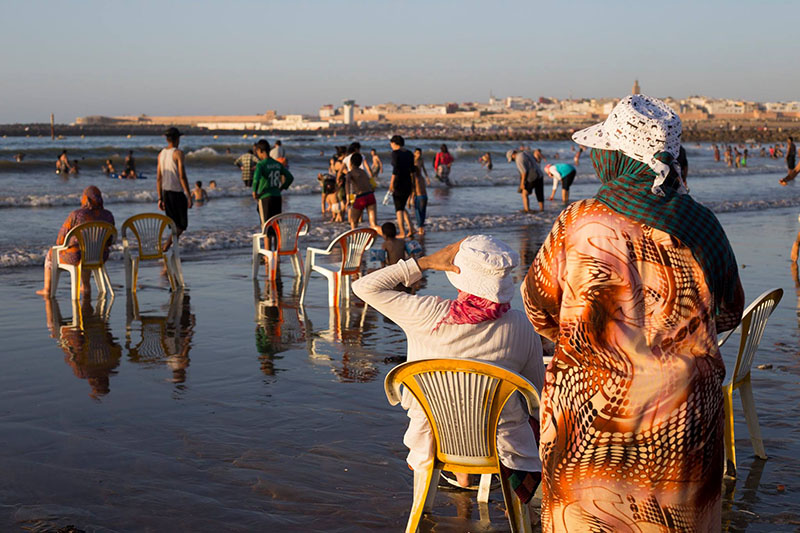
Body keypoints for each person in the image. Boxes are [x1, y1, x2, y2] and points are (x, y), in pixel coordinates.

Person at [527, 94, 744, 531]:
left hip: (588, 408)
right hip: (683, 410)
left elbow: (539, 306)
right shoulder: (702, 224)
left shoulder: (577, 221)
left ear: (617, 159)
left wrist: (587, 331)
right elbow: (729, 311)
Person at [352, 236, 544, 508]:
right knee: (521, 411)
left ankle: (459, 476)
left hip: (434, 440)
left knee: (451, 400)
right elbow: (538, 393)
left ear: (458, 273)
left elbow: (364, 287)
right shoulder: (522, 326)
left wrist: (425, 262)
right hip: (498, 449)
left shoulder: (425, 313)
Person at [36, 186, 115, 298]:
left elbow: (60, 241)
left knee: (51, 254)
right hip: (100, 255)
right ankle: (86, 286)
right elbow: (110, 241)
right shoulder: (108, 215)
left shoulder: (77, 215)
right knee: (87, 249)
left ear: (86, 199)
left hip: (77, 257)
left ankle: (47, 289)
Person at [157, 127, 192, 251]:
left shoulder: (161, 154)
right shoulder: (178, 153)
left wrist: (160, 198)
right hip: (177, 192)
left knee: (173, 225)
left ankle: (172, 250)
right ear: (177, 139)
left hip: (166, 192)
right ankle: (166, 247)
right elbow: (182, 176)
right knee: (182, 225)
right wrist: (188, 194)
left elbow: (158, 178)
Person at [252, 139, 294, 226]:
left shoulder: (261, 164)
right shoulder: (277, 164)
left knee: (266, 228)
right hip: (277, 197)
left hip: (265, 197)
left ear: (260, 151)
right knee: (276, 227)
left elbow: (256, 179)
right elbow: (290, 177)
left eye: (257, 152)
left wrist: (254, 191)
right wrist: (282, 188)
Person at [389, 135, 416, 238]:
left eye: (391, 143)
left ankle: (402, 232)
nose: (391, 145)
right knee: (402, 206)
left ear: (395, 143)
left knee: (398, 209)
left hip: (398, 183)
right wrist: (413, 185)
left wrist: (391, 184)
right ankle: (411, 228)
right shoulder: (409, 153)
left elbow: (395, 170)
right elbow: (412, 170)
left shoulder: (395, 153)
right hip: (408, 183)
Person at [345, 152, 378, 230]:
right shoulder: (364, 172)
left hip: (361, 197)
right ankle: (387, 237)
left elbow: (347, 184)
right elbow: (371, 185)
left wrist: (348, 198)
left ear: (350, 162)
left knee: (353, 221)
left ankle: (355, 240)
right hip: (370, 196)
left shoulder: (350, 173)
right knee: (373, 224)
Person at [411, 148, 428, 235]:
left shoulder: (416, 178)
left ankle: (420, 228)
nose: (419, 155)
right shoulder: (412, 160)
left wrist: (410, 199)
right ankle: (422, 228)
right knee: (423, 212)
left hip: (419, 195)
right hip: (425, 196)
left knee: (418, 211)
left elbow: (413, 188)